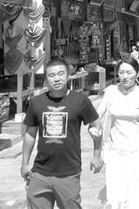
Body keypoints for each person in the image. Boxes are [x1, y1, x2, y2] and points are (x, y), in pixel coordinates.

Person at [21, 58, 103, 209]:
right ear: (46, 79)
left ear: (68, 76)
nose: (56, 79)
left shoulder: (80, 100)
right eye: (51, 75)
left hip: (69, 173)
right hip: (40, 172)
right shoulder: (36, 102)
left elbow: (97, 126)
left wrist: (97, 156)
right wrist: (25, 164)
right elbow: (30, 134)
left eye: (61, 74)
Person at [96, 57, 139, 208]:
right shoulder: (111, 92)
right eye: (121, 73)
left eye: (129, 72)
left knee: (138, 196)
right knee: (115, 196)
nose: (125, 76)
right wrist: (93, 127)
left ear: (137, 73)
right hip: (115, 152)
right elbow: (97, 116)